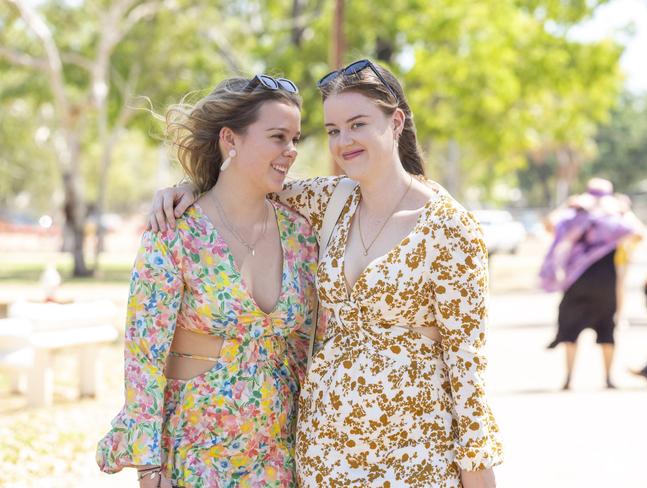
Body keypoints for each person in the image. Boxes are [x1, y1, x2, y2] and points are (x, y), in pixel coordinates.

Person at [150, 59, 503, 488]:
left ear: (395, 123)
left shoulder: (449, 226)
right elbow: (245, 181)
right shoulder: (328, 202)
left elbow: (467, 365)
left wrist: (478, 471)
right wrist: (186, 188)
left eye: (357, 124)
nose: (344, 141)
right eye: (334, 130)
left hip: (415, 450)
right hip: (325, 453)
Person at [97, 75, 319, 487]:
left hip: (279, 455)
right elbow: (144, 357)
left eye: (295, 139)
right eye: (277, 137)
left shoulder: (301, 233)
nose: (291, 152)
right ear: (230, 139)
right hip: (197, 453)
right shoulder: (176, 231)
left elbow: (307, 349)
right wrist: (148, 468)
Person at [540, 178, 642, 390]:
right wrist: (624, 210)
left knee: (570, 329)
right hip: (606, 283)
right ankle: (608, 378)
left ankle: (568, 378)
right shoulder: (615, 220)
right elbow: (639, 233)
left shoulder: (575, 216)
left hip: (575, 282)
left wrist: (567, 205)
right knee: (606, 330)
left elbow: (549, 224)